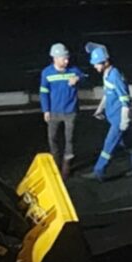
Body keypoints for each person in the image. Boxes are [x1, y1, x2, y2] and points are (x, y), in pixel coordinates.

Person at [81, 42, 132, 181]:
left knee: (108, 145)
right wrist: (100, 109)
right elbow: (107, 94)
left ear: (105, 62)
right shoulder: (106, 74)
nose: (94, 66)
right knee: (128, 144)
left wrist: (124, 121)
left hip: (118, 120)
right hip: (113, 117)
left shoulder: (115, 76)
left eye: (97, 63)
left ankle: (99, 171)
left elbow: (125, 101)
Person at [39, 43, 86, 178]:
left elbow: (85, 78)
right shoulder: (46, 73)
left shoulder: (74, 70)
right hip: (54, 112)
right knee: (52, 138)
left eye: (67, 58)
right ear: (55, 58)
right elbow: (43, 92)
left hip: (71, 111)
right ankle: (56, 161)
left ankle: (67, 164)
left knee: (69, 139)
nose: (67, 61)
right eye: (63, 58)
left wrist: (78, 79)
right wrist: (46, 110)